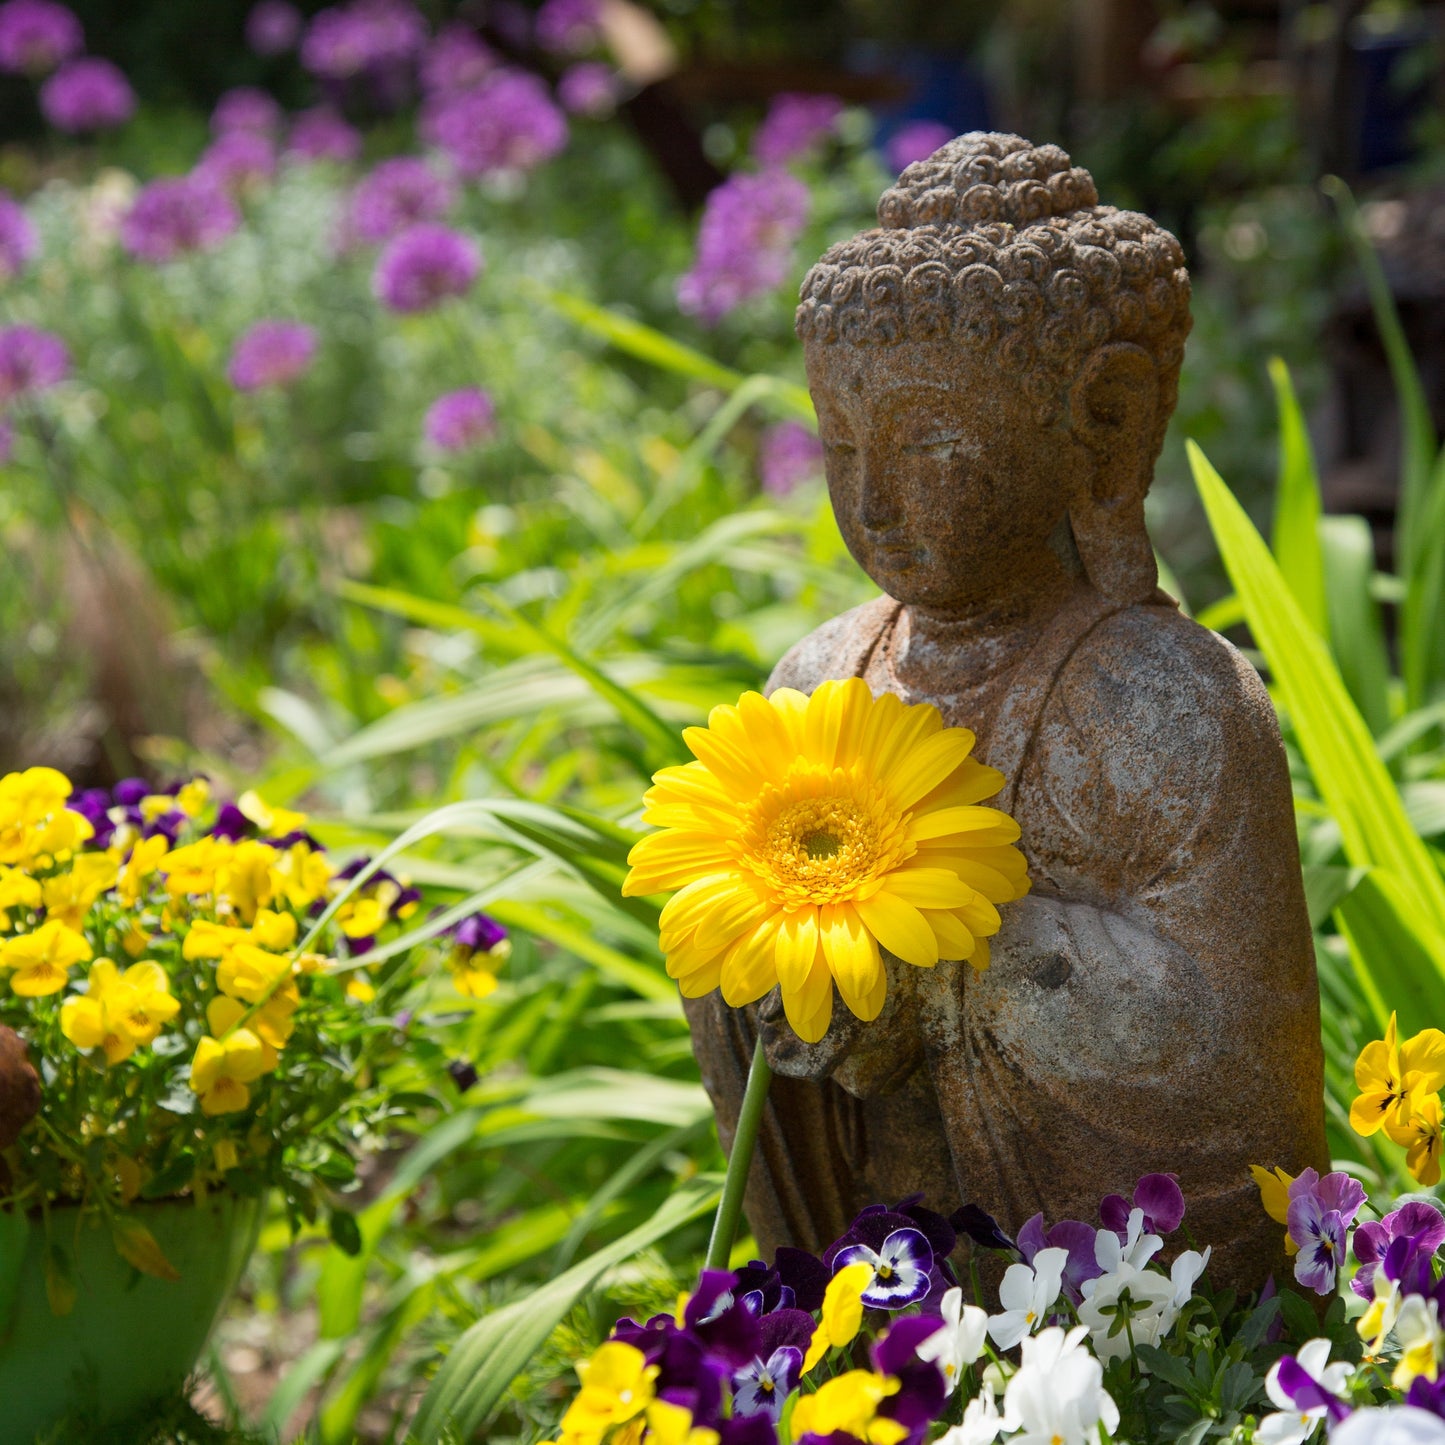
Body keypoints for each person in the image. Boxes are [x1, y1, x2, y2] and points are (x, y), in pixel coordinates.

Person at [683, 132, 1327, 1289]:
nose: (872, 498)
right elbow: (732, 933)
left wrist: (938, 965)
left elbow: (1231, 1068)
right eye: (840, 443)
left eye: (929, 440)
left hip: (1097, 1320)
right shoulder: (815, 683)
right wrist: (779, 970)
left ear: (1102, 426)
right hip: (885, 1277)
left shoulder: (1165, 706)